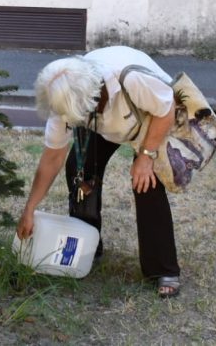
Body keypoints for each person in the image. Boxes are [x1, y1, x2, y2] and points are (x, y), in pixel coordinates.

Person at [16, 45, 181, 298]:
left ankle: (163, 268)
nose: (65, 121)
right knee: (79, 168)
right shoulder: (65, 99)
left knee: (146, 180)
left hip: (147, 117)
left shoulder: (132, 78)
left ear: (89, 101)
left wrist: (146, 156)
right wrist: (30, 208)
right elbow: (52, 158)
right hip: (102, 120)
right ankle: (88, 245)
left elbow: (166, 110)